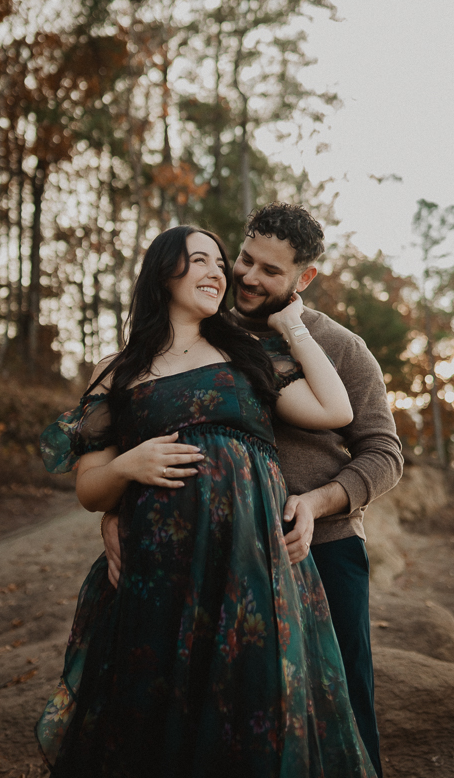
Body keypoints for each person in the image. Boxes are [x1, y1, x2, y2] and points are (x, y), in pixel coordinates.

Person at [36, 225, 376, 778]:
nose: (222, 272)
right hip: (161, 570)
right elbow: (88, 490)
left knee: (252, 705)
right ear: (163, 272)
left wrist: (291, 323)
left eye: (221, 261)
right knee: (158, 710)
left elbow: (336, 411)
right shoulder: (117, 372)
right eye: (203, 260)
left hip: (250, 564)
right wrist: (127, 466)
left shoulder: (248, 356)